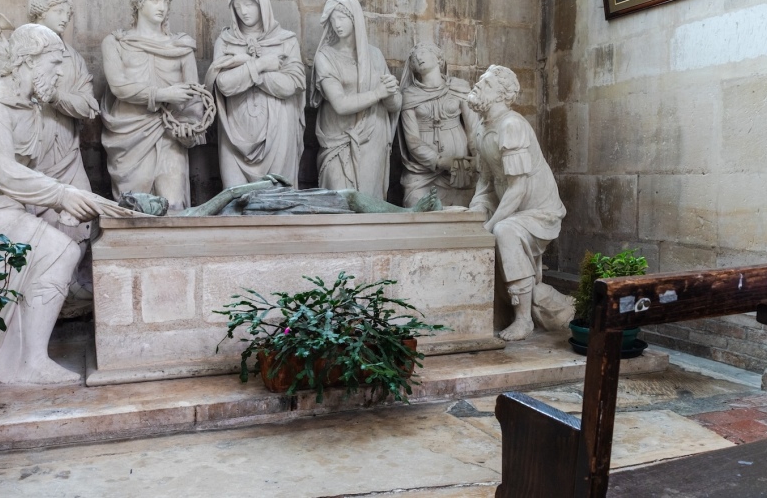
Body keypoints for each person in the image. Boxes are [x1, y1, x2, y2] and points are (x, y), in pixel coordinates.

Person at [0, 24, 125, 383]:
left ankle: (29, 357)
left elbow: (28, 173)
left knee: (62, 246)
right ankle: (30, 362)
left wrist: (62, 204)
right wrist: (63, 195)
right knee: (60, 252)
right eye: (55, 64)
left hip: (4, 208)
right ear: (28, 61)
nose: (60, 73)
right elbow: (4, 173)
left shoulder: (30, 108)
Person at [0, 0, 100, 301]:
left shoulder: (72, 59)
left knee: (80, 216)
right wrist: (3, 58)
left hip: (65, 154)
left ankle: (67, 286)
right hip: (27, 157)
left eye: (69, 13)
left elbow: (89, 107)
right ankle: (27, 291)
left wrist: (57, 96)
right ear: (40, 12)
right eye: (59, 11)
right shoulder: (14, 52)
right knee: (29, 225)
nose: (66, 18)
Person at [467, 65, 572, 341]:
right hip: (512, 203)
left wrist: (490, 224)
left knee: (505, 231)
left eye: (486, 83)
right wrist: (476, 210)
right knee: (472, 223)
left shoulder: (511, 125)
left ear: (502, 95)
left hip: (538, 211)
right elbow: (487, 180)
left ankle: (523, 320)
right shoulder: (482, 127)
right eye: (480, 80)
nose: (478, 85)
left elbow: (518, 187)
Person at [101, 0, 209, 210]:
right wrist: (163, 94)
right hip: (129, 135)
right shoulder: (116, 43)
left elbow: (194, 97)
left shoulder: (181, 47)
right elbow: (119, 86)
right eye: (156, 0)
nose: (163, 7)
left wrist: (189, 128)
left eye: (166, 1)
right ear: (139, 3)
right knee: (134, 207)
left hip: (169, 133)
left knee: (173, 203)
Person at [205, 0, 306, 188]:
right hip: (234, 133)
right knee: (235, 202)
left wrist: (245, 69)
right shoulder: (225, 41)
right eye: (238, 4)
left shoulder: (286, 41)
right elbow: (224, 84)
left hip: (278, 132)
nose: (243, 11)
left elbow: (289, 86)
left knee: (280, 204)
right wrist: (260, 65)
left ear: (262, 4)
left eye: (249, 3)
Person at [309, 0, 402, 200]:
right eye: (332, 20)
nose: (337, 24)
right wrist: (378, 93)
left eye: (341, 18)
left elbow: (395, 106)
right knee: (338, 201)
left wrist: (390, 94)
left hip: (372, 137)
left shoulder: (375, 55)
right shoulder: (325, 57)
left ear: (354, 19)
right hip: (337, 140)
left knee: (369, 202)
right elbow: (340, 104)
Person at [119, 175, 442, 217]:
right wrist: (260, 184)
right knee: (349, 197)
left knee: (349, 197)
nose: (154, 198)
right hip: (263, 208)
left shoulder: (175, 216)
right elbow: (227, 195)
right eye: (147, 201)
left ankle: (407, 215)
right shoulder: (179, 219)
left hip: (263, 205)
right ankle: (409, 215)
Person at [398, 43, 478, 208]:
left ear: (439, 58)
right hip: (422, 172)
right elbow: (413, 141)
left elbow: (474, 129)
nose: (418, 57)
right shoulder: (409, 95)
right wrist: (441, 161)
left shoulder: (459, 87)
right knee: (416, 206)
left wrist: (476, 160)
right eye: (414, 57)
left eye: (423, 52)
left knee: (468, 210)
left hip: (461, 171)